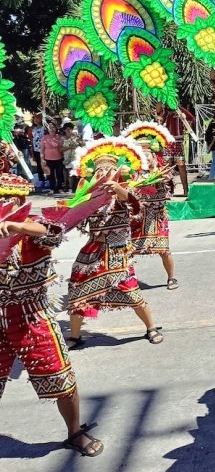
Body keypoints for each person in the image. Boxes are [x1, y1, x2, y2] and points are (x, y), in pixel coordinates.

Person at [0, 173, 104, 457]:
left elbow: (54, 232)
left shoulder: (33, 230)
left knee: (61, 379)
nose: (2, 203)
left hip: (31, 317)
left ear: (20, 201)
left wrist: (17, 226)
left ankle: (74, 432)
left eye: (7, 198)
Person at [66, 138, 163, 347]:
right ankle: (75, 336)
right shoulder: (89, 194)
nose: (103, 174)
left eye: (107, 170)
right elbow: (73, 217)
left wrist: (117, 188)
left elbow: (134, 204)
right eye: (99, 171)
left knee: (131, 290)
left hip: (117, 250)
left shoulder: (122, 191)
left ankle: (151, 328)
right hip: (92, 249)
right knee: (77, 288)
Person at [123, 122, 178, 291]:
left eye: (148, 154)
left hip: (157, 215)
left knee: (163, 249)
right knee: (128, 250)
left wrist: (159, 179)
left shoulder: (163, 172)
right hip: (138, 217)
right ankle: (127, 281)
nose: (146, 157)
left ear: (154, 156)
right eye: (142, 155)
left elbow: (168, 188)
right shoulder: (133, 175)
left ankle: (172, 277)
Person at [154, 101, 194, 196]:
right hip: (167, 143)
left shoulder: (180, 111)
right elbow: (158, 110)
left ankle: (185, 190)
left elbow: (191, 118)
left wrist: (183, 115)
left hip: (178, 143)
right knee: (166, 167)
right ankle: (167, 190)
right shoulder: (165, 112)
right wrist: (161, 97)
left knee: (181, 166)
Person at [41, 121, 64, 194]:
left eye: (53, 127)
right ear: (47, 129)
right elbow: (42, 150)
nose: (51, 129)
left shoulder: (59, 137)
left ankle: (59, 188)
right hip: (48, 159)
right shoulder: (44, 138)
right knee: (50, 175)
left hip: (58, 158)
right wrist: (42, 159)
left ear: (56, 128)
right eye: (49, 127)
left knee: (59, 174)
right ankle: (52, 188)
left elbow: (61, 148)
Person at [61, 122, 82, 192]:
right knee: (69, 174)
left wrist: (79, 140)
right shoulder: (62, 139)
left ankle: (76, 187)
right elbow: (60, 149)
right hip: (67, 158)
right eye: (67, 129)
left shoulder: (76, 137)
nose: (69, 131)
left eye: (70, 129)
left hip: (75, 157)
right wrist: (69, 147)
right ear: (64, 130)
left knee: (76, 173)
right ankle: (70, 187)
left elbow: (82, 144)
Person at [30, 112, 46, 190]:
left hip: (45, 150)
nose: (36, 120)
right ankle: (41, 180)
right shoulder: (33, 129)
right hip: (36, 150)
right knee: (39, 165)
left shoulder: (44, 128)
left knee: (46, 165)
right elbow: (32, 140)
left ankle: (50, 179)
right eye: (34, 118)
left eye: (37, 118)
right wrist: (32, 152)